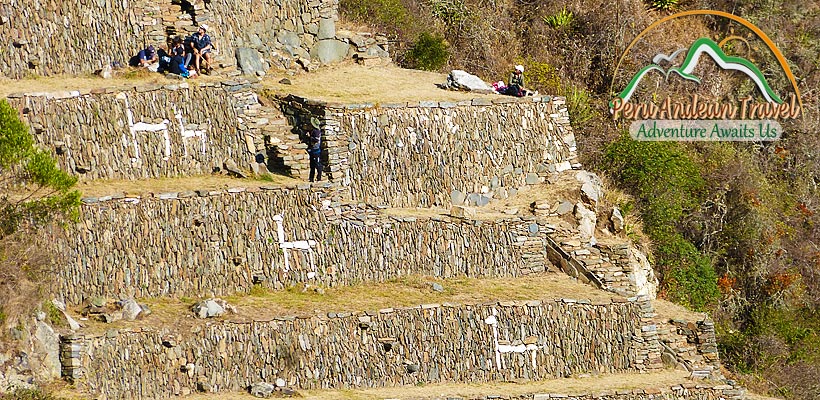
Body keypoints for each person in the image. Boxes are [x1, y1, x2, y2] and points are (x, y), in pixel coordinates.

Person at [307, 117, 322, 182]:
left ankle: (319, 177)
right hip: (313, 150)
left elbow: (316, 140)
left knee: (317, 164)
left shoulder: (316, 132)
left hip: (316, 150)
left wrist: (309, 137)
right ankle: (311, 178)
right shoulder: (314, 131)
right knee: (312, 165)